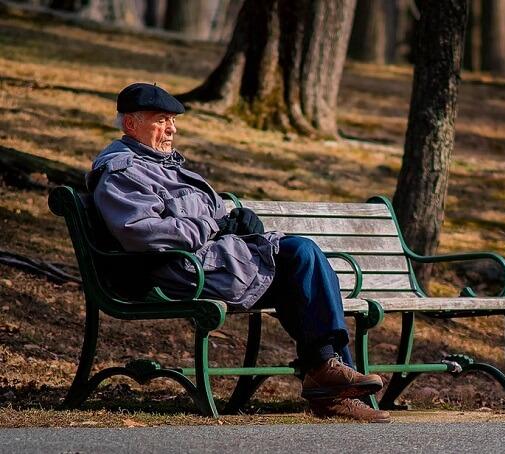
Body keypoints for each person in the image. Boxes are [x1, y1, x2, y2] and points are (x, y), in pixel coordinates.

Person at [87, 82, 390, 423]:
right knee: (300, 257)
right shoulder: (123, 171)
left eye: (173, 120)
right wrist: (214, 228)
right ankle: (329, 379)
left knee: (303, 258)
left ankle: (329, 376)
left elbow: (211, 213)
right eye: (161, 119)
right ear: (131, 124)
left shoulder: (165, 164)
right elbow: (142, 233)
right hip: (181, 273)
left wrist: (237, 220)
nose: (172, 128)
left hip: (214, 263)